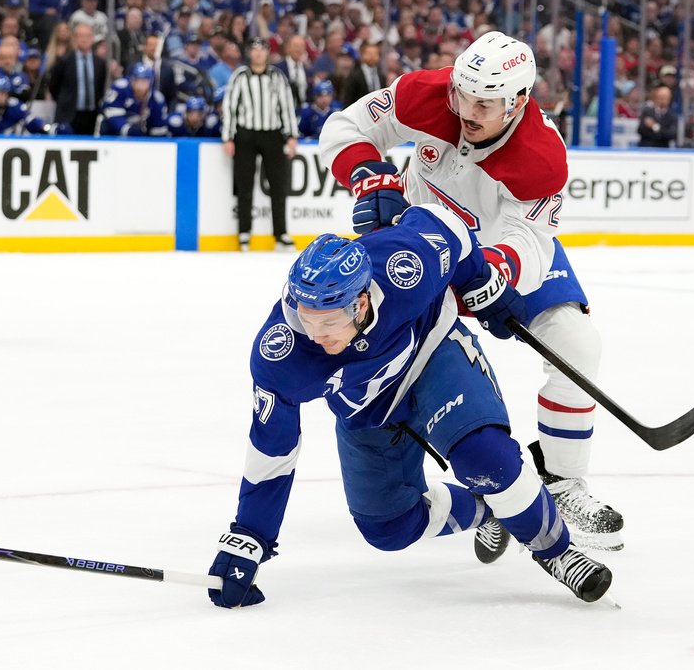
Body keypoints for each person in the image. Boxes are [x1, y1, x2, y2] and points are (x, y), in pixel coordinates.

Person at [207, 212, 614, 609]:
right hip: (369, 410)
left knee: (484, 458)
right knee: (388, 528)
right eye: (306, 318)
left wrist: (479, 279)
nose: (316, 335)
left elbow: (448, 225)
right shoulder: (279, 354)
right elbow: (272, 450)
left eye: (329, 321)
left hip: (434, 356)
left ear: (360, 302)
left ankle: (557, 553)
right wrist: (249, 536)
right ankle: (494, 509)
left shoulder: (403, 263)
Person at [319, 31, 625, 552]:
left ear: (519, 102)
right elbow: (345, 125)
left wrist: (498, 272)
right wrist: (371, 175)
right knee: (406, 363)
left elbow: (527, 237)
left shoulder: (541, 155)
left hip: (499, 251)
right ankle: (492, 488)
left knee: (577, 342)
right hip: (420, 249)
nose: (465, 109)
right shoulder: (428, 93)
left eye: (484, 103)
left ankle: (562, 482)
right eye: (463, 94)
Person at [221, 37, 299, 252]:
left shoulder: (277, 76)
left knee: (278, 185)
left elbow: (287, 106)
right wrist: (228, 137)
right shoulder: (240, 76)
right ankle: (244, 231)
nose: (257, 54)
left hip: (273, 135)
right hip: (246, 135)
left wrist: (291, 135)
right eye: (253, 49)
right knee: (245, 185)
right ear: (250, 53)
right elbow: (230, 107)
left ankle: (280, 233)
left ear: (267, 53)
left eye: (261, 50)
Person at [48, 23, 107, 135]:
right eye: (81, 36)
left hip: (91, 114)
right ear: (75, 38)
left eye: (87, 36)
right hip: (69, 114)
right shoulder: (64, 60)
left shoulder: (100, 63)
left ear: (92, 38)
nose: (84, 39)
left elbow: (100, 87)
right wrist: (65, 102)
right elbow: (54, 86)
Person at [98, 62, 169, 136]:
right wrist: (129, 130)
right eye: (136, 80)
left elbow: (159, 129)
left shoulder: (157, 99)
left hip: (143, 136)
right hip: (113, 133)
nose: (139, 86)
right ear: (131, 79)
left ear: (150, 82)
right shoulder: (119, 88)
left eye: (143, 81)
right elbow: (112, 115)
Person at [342, 41, 382, 107]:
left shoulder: (381, 77)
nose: (372, 56)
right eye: (369, 53)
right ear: (362, 55)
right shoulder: (354, 76)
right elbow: (348, 99)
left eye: (375, 53)